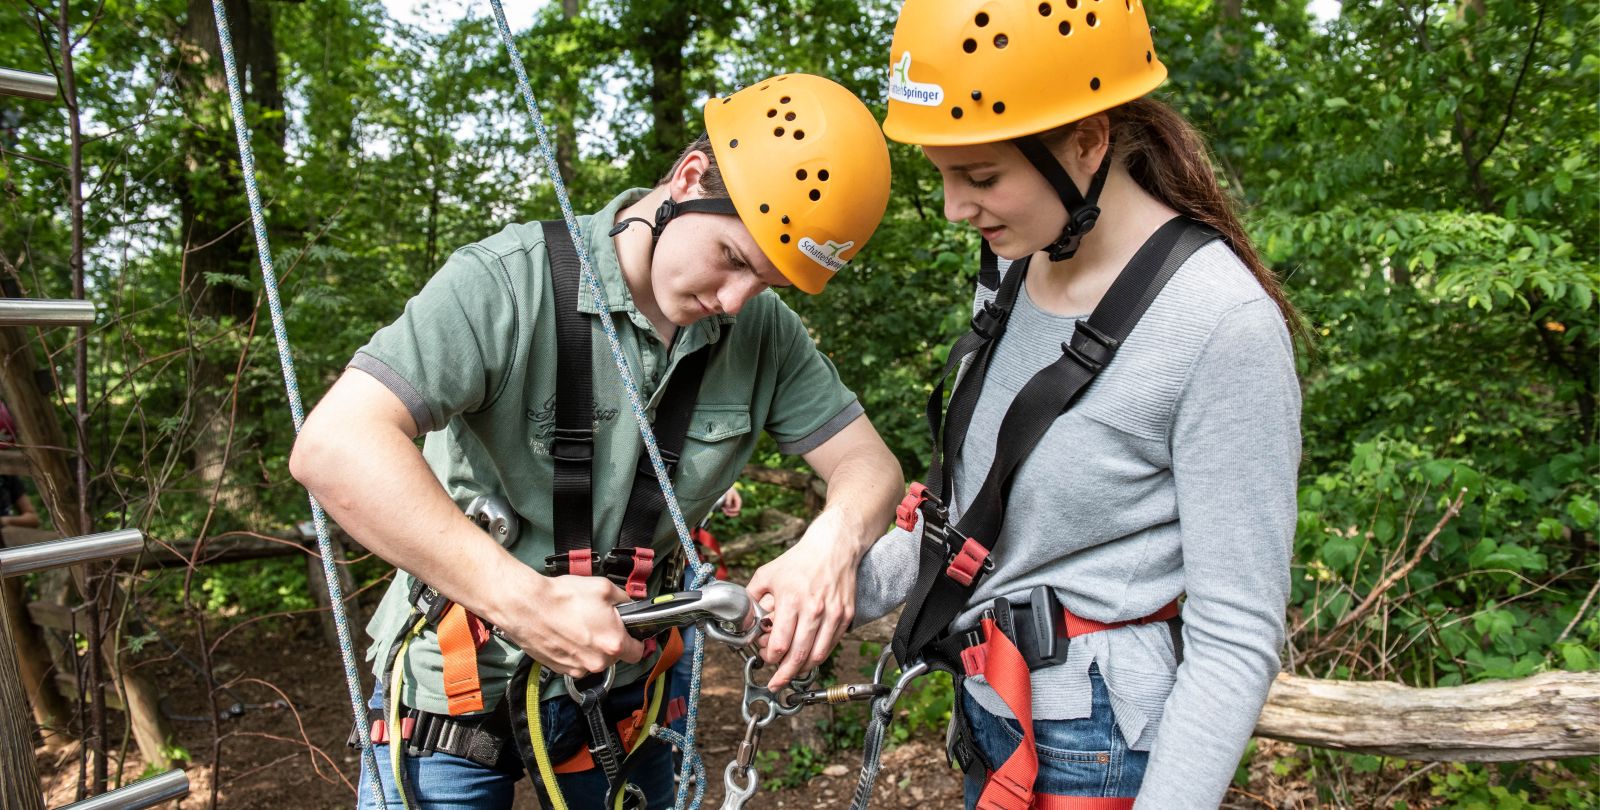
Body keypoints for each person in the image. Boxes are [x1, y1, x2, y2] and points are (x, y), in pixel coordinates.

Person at [291, 73, 902, 809]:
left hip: (621, 703)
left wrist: (829, 546)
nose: (736, 300)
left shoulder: (760, 333)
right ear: (688, 178)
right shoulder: (508, 284)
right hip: (451, 688)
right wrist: (519, 601)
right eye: (735, 258)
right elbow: (334, 443)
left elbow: (868, 464)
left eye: (768, 283)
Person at [851, 2, 1304, 808]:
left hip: (1100, 750)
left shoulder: (1220, 325)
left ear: (1088, 141)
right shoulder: (1015, 266)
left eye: (981, 176)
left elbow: (1236, 636)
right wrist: (833, 592)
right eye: (943, 173)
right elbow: (980, 512)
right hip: (996, 707)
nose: (956, 208)